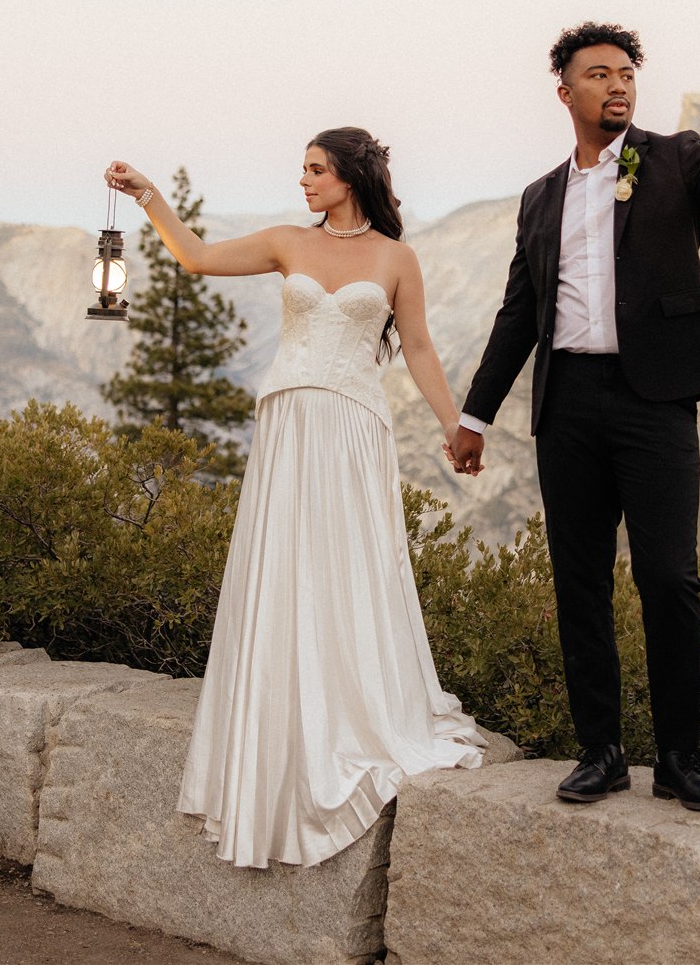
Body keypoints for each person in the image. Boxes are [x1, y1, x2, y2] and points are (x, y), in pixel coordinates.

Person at [104, 128, 484, 871]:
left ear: (351, 176)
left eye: (316, 170)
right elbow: (198, 257)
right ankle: (280, 712)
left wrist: (452, 424)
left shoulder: (396, 258)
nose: (304, 181)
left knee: (348, 565)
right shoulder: (287, 242)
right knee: (285, 565)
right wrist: (149, 197)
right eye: (303, 170)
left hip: (354, 425)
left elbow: (418, 346)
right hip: (288, 421)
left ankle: (352, 708)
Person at [449, 22, 700, 811]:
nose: (618, 84)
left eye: (627, 73)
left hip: (655, 401)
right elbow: (518, 314)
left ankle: (679, 759)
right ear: (566, 92)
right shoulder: (540, 198)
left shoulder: (675, 158)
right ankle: (599, 753)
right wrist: (475, 416)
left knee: (669, 577)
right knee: (580, 583)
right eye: (599, 74)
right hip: (567, 404)